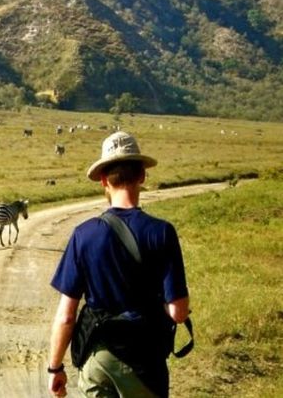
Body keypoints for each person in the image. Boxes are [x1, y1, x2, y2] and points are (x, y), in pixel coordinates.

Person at [47, 131, 190, 397]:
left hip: (98, 360)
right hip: (145, 365)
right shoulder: (162, 232)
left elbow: (66, 315)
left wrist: (55, 368)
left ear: (103, 180)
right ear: (142, 176)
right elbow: (178, 312)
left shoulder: (83, 234)